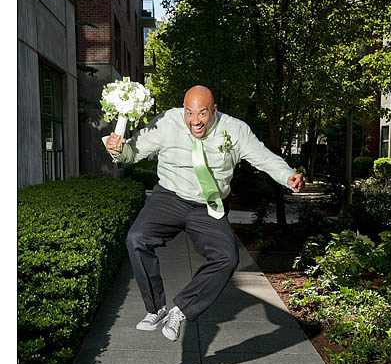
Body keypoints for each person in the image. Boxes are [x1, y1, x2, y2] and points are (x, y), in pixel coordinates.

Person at [104, 85, 304, 342]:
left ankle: (181, 310)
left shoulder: (235, 130)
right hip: (170, 197)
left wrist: (287, 176)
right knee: (136, 239)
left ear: (214, 110)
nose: (194, 121)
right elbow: (132, 152)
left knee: (227, 257)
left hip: (209, 204)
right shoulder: (166, 121)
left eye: (201, 114)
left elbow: (264, 157)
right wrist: (118, 149)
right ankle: (156, 308)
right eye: (189, 113)